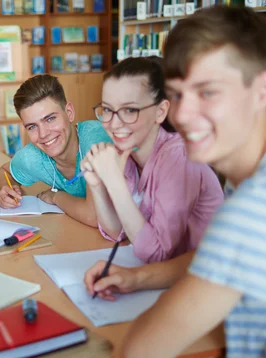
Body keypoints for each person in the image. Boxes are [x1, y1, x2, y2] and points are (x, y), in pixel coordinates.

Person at [120, 6, 266, 358]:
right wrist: (137, 278)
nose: (183, 114)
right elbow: (222, 258)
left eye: (208, 92)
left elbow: (142, 355)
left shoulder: (257, 209)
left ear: (265, 91)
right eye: (176, 94)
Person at [80, 57, 223, 265]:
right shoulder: (129, 153)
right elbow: (118, 232)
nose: (114, 123)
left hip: (207, 281)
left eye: (130, 110)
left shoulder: (180, 158)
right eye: (108, 110)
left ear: (160, 111)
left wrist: (113, 181)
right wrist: (98, 186)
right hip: (166, 278)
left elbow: (156, 253)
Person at [0, 74, 113, 227]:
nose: (43, 134)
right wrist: (8, 189)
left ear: (69, 112)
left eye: (50, 119)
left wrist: (56, 197)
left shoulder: (96, 141)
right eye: (32, 127)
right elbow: (5, 171)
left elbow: (94, 216)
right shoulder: (33, 156)